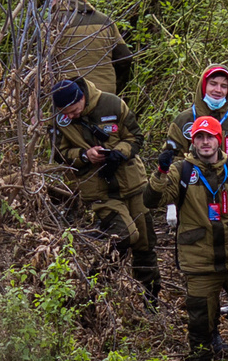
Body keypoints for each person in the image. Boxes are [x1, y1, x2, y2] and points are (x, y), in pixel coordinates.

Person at [148, 115, 228, 361]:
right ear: (193, 141)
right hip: (199, 258)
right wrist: (160, 172)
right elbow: (152, 200)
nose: (205, 142)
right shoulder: (181, 171)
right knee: (200, 320)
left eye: (210, 137)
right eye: (199, 137)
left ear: (219, 140)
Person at [49, 76, 158, 303]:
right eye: (64, 112)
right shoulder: (58, 120)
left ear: (82, 97)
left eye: (73, 110)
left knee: (145, 244)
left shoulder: (112, 103)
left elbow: (136, 137)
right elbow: (59, 155)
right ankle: (94, 291)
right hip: (99, 191)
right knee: (125, 235)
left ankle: (151, 299)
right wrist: (84, 156)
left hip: (133, 184)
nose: (70, 116)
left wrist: (119, 152)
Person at [54, 0, 133, 100]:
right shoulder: (105, 20)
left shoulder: (54, 23)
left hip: (70, 94)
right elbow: (125, 58)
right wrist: (115, 85)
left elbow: (44, 65)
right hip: (105, 94)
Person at [169, 62, 228, 164]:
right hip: (195, 179)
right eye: (213, 84)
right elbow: (171, 163)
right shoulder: (183, 120)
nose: (218, 90)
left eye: (223, 86)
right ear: (203, 85)